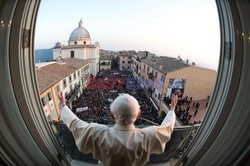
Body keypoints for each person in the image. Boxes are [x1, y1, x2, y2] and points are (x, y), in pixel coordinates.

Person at [57, 92, 178, 166]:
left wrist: (64, 106)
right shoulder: (150, 135)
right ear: (138, 115)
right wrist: (171, 110)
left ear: (111, 115)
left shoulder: (97, 133)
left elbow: (75, 124)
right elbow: (167, 128)